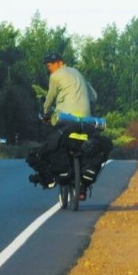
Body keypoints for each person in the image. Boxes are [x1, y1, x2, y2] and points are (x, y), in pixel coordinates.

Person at [28, 52, 100, 195]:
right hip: (85, 120)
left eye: (50, 65)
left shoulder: (55, 76)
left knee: (52, 143)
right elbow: (94, 96)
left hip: (65, 118)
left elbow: (50, 98)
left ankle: (51, 176)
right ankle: (83, 183)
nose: (49, 69)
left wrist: (45, 112)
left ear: (60, 63)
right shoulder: (78, 72)